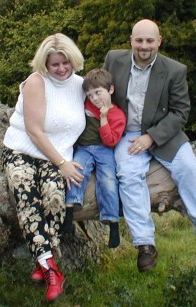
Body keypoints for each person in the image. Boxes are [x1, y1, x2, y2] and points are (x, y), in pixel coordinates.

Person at [103, 19, 196, 272]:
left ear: (159, 41)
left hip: (165, 134)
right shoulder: (114, 60)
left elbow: (181, 112)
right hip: (127, 133)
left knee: (189, 169)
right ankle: (145, 244)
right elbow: (98, 91)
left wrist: (152, 137)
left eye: (149, 40)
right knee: (128, 175)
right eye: (139, 40)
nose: (144, 46)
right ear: (131, 40)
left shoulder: (174, 70)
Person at [1, 33, 87, 301]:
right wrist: (62, 164)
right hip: (23, 151)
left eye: (65, 63)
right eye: (55, 65)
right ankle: (51, 269)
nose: (61, 69)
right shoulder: (36, 83)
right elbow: (34, 131)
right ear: (45, 65)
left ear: (74, 60)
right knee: (26, 196)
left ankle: (41, 258)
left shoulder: (81, 86)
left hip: (57, 155)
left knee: (54, 198)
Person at [64, 68, 126, 248]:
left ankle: (112, 222)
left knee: (107, 180)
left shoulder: (118, 115)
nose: (95, 99)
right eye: (90, 95)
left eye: (98, 93)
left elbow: (111, 141)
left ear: (111, 90)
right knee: (77, 171)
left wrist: (104, 118)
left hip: (105, 150)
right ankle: (70, 211)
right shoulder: (86, 105)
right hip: (84, 148)